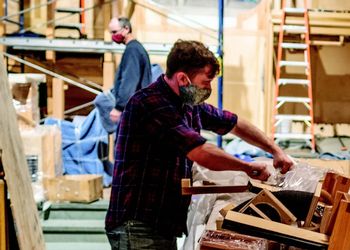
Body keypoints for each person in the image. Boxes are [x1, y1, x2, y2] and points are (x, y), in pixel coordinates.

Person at [105, 40, 293, 249]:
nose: (209, 88)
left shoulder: (188, 105)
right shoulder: (150, 104)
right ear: (183, 79)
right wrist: (247, 167)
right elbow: (201, 152)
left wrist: (275, 150)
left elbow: (233, 122)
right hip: (138, 224)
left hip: (162, 225)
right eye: (206, 82)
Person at [108, 17, 152, 124]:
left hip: (136, 111)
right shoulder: (135, 48)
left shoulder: (132, 50)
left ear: (126, 29)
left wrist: (119, 107)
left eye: (115, 32)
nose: (113, 36)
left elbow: (129, 79)